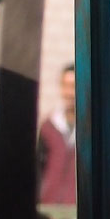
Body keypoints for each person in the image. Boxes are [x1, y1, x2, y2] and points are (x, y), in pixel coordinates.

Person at [38, 63, 77, 206]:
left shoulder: (90, 131)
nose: (69, 93)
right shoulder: (48, 128)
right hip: (49, 206)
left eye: (73, 87)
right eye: (65, 86)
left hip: (78, 211)